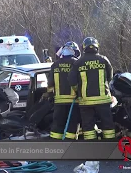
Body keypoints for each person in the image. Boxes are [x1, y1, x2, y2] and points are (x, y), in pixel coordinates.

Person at [69, 37, 115, 173]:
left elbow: (71, 80)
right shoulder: (103, 59)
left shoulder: (78, 62)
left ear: (84, 47)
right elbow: (110, 76)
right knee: (108, 126)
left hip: (86, 101)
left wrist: (79, 90)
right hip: (103, 100)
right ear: (96, 46)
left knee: (88, 128)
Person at [46, 41, 81, 140]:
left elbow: (50, 83)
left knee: (57, 125)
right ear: (75, 52)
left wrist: (50, 96)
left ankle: (56, 144)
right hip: (73, 102)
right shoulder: (77, 63)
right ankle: (70, 145)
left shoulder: (55, 65)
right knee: (72, 125)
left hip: (59, 102)